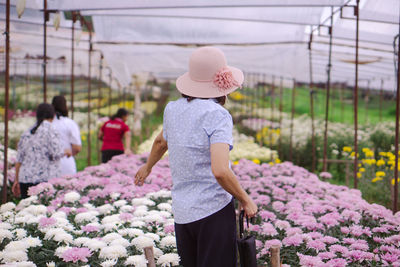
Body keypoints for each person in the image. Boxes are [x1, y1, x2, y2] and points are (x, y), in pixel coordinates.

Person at [135, 47, 258, 267]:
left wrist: (148, 167)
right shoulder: (217, 114)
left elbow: (161, 142)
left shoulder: (172, 109)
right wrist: (245, 199)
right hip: (213, 210)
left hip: (183, 212)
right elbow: (220, 170)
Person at [12, 103, 72, 199]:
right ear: (53, 115)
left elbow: (19, 159)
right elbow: (55, 153)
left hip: (25, 179)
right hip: (44, 180)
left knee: (26, 211)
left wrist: (16, 180)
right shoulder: (51, 130)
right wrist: (66, 151)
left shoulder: (27, 131)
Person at [51, 95, 82, 176]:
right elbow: (77, 147)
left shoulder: (47, 123)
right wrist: (68, 153)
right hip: (66, 163)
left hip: (49, 164)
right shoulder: (70, 123)